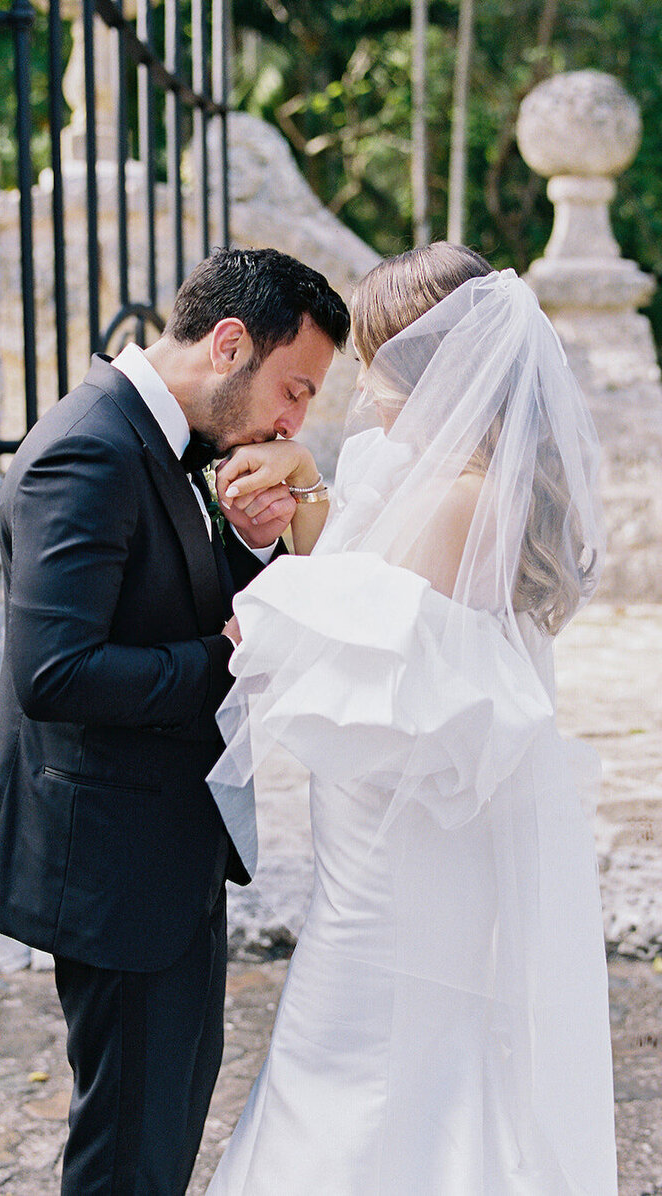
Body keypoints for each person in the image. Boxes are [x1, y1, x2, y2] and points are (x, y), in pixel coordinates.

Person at [206, 243, 618, 1193]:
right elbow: (360, 571)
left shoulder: (460, 503)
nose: (361, 382)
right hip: (400, 830)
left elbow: (344, 622)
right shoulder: (447, 479)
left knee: (357, 1057)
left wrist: (254, 614)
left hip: (393, 858)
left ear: (431, 369)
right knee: (408, 1056)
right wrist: (309, 488)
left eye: (376, 360)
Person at [0, 247, 350, 1196]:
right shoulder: (89, 446)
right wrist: (235, 652)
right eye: (294, 391)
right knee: (129, 1151)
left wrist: (253, 555)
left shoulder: (170, 440)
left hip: (162, 850)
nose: (294, 424)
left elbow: (167, 600)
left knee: (166, 1121)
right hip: (109, 863)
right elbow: (55, 672)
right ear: (229, 346)